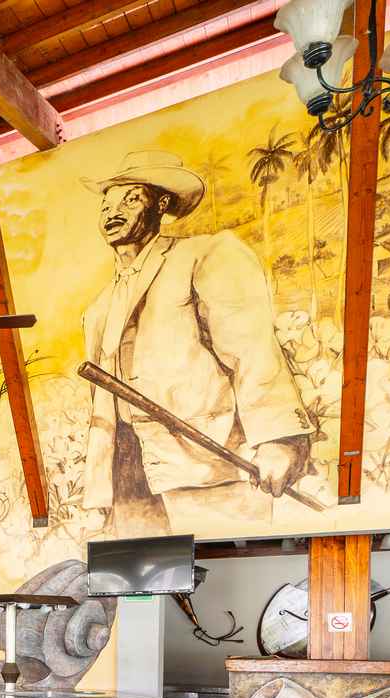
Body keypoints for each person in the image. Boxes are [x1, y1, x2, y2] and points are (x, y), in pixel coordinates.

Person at [79, 150, 313, 533]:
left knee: (224, 562)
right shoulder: (99, 307)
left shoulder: (203, 255)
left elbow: (250, 346)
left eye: (130, 199)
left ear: (161, 204)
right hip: (130, 476)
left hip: (209, 464)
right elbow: (101, 405)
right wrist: (98, 493)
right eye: (106, 204)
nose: (113, 212)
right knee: (141, 570)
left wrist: (279, 439)